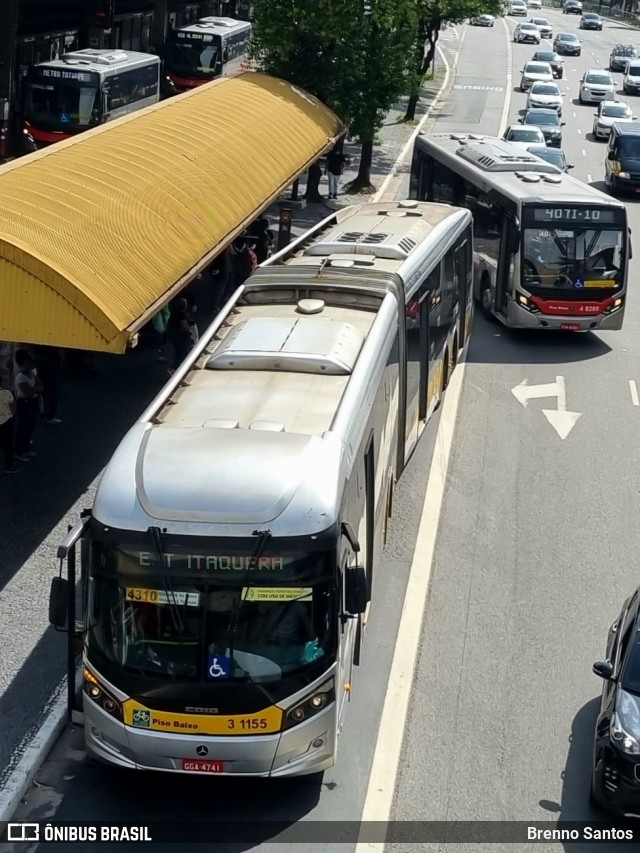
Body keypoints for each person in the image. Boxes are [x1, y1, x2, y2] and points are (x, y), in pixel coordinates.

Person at [13, 349, 42, 462]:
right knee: (23, 427)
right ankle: (19, 452)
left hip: (32, 402)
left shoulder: (31, 374)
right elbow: (29, 392)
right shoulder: (21, 377)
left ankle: (26, 449)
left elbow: (40, 386)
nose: (30, 366)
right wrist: (36, 389)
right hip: (24, 402)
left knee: (30, 426)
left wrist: (36, 389)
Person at [35, 345, 63, 424]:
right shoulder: (54, 353)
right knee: (51, 395)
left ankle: (42, 415)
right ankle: (49, 416)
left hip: (44, 369)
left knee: (43, 396)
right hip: (50, 371)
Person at [165, 298, 193, 373]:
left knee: (177, 352)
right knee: (183, 353)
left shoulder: (173, 313)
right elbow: (184, 326)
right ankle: (175, 369)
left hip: (173, 334)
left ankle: (174, 367)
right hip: (180, 336)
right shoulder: (181, 314)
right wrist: (190, 330)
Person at [0, 386, 17, 474]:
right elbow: (14, 408)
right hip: (5, 422)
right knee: (8, 444)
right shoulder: (6, 393)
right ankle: (9, 466)